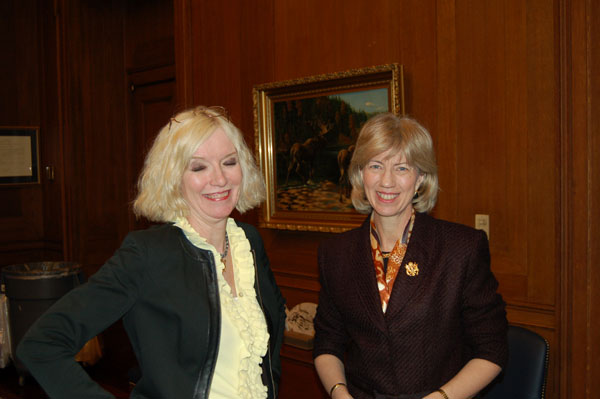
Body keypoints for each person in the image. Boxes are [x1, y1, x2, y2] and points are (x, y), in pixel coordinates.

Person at [17, 105, 287, 399]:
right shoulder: (148, 254)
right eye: (198, 167)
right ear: (173, 178)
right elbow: (42, 345)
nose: (220, 179)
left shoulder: (249, 242)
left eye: (229, 162)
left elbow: (269, 344)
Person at [312, 113, 508, 399]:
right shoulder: (335, 253)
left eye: (402, 168)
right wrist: (340, 392)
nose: (386, 182)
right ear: (359, 174)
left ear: (421, 178)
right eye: (376, 166)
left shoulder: (461, 248)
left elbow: (493, 349)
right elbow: (327, 343)